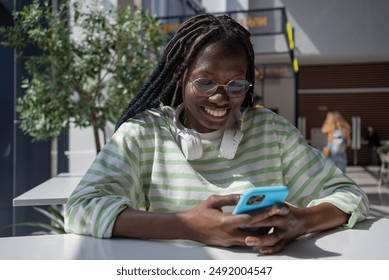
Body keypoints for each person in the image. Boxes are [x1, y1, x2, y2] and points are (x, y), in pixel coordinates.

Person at [64, 13, 369, 255]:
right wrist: (185, 226)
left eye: (236, 85)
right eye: (205, 83)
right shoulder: (144, 134)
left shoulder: (271, 131)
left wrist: (299, 222)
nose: (221, 98)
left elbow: (350, 195)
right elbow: (80, 208)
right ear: (180, 76)